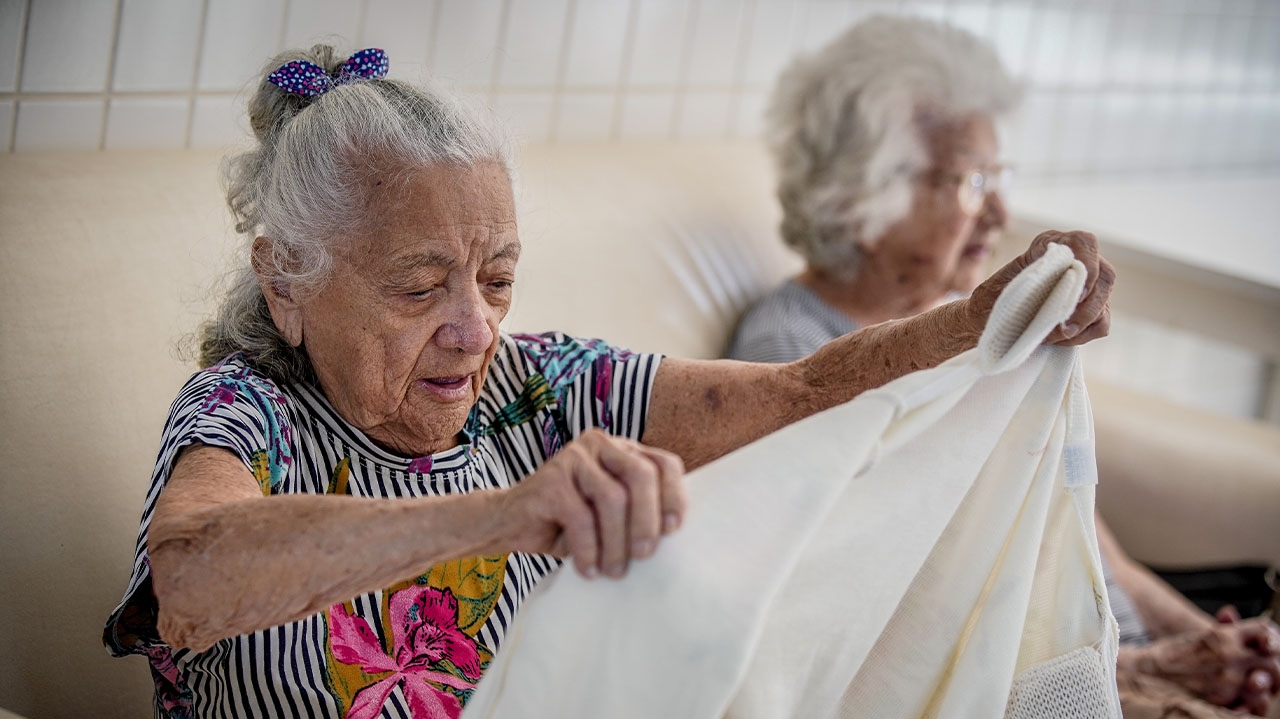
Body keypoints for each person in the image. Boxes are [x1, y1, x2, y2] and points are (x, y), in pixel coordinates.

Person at [103, 44, 1112, 718]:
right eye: (418, 287)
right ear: (285, 279)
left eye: (497, 279)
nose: (473, 328)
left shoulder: (535, 384)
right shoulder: (249, 411)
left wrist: (979, 319)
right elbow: (192, 579)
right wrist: (500, 514)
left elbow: (797, 396)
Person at [726, 15, 1280, 718]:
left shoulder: (968, 315)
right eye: (971, 179)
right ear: (863, 193)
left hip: (1098, 642)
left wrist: (1214, 644)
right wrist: (1135, 671)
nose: (999, 210)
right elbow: (890, 614)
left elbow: (1106, 552)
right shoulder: (789, 356)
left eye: (999, 175)